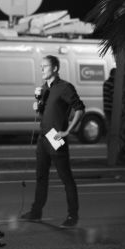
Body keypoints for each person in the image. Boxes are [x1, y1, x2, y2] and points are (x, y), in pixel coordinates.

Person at [20, 55, 85, 228]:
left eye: (45, 66)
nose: (41, 69)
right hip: (43, 138)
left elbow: (80, 109)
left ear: (55, 68)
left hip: (55, 137)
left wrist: (68, 131)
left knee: (66, 178)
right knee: (41, 177)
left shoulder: (65, 87)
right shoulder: (44, 89)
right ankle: (36, 212)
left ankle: (73, 216)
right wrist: (38, 106)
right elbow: (44, 114)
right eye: (40, 66)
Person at [102, 67, 115, 132]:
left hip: (106, 108)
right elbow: (113, 96)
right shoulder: (112, 83)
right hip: (111, 108)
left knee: (109, 126)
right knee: (112, 126)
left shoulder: (106, 82)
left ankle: (109, 140)